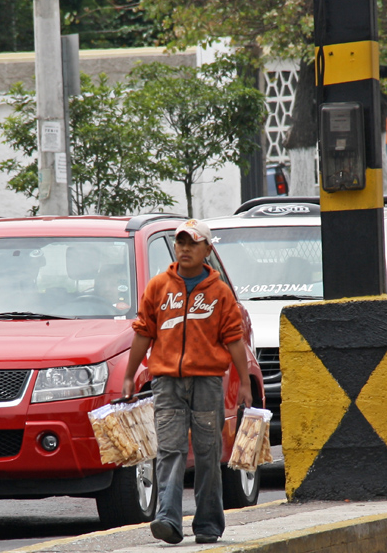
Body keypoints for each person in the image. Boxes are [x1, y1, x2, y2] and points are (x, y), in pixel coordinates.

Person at [122, 218, 253, 545]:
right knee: (170, 449)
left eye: (192, 243)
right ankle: (167, 517)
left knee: (208, 451)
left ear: (207, 249)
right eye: (180, 243)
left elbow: (235, 340)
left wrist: (246, 385)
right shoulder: (158, 287)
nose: (184, 249)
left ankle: (208, 523)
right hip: (166, 382)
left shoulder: (220, 293)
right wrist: (128, 375)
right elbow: (143, 333)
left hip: (208, 383)